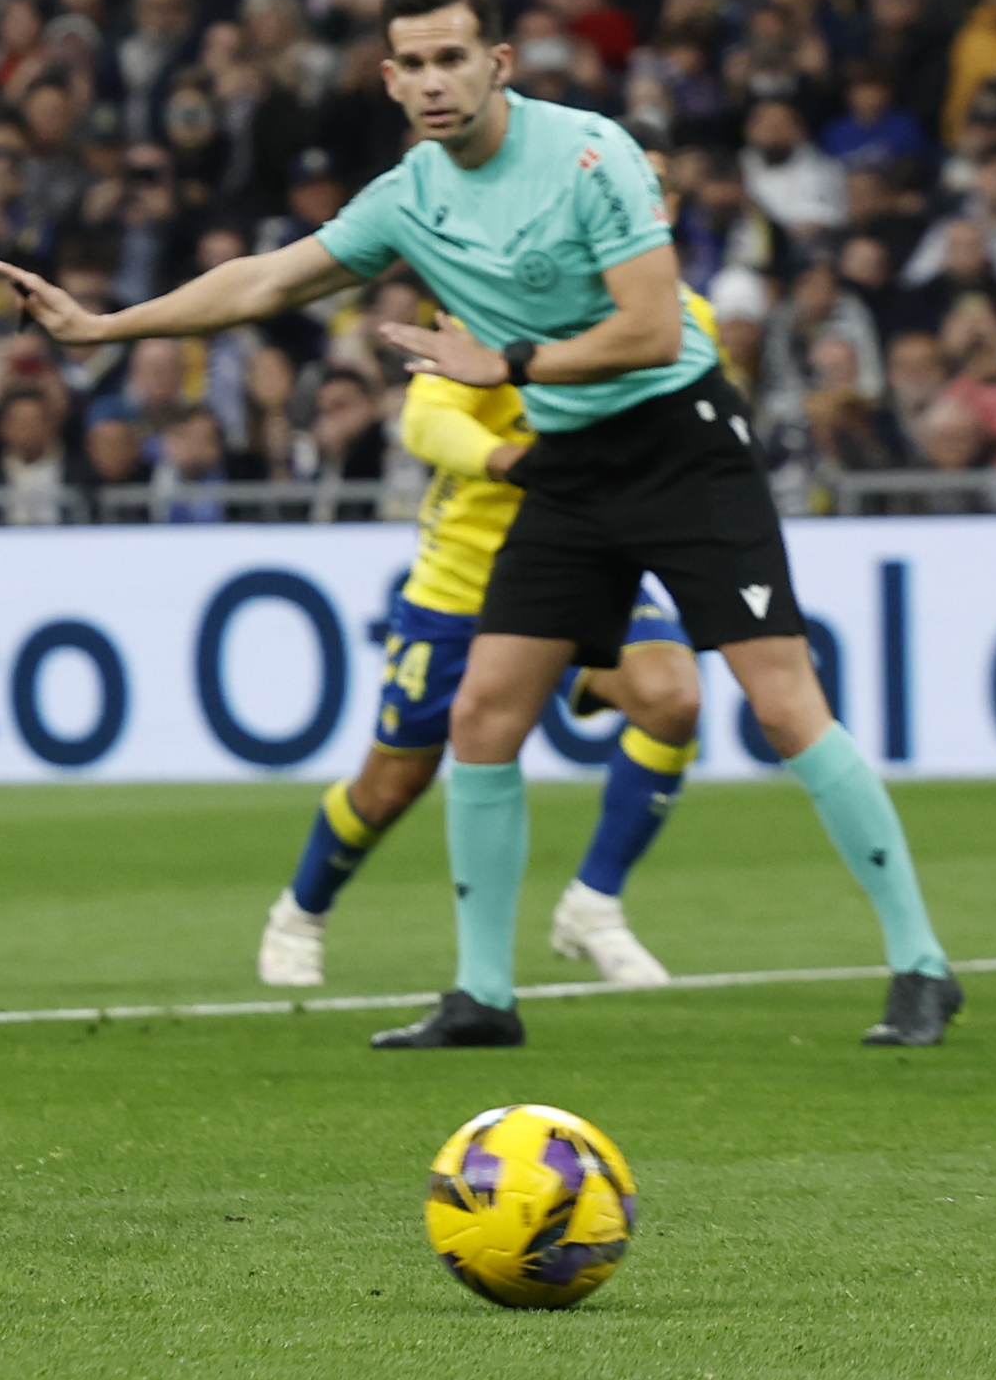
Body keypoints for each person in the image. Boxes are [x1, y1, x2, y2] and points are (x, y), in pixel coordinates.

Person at [3, 0, 958, 1050]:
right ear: (387, 78)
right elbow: (265, 281)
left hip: (680, 440)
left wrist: (502, 355)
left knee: (783, 705)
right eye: (411, 64)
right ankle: (482, 996)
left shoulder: (591, 154)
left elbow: (650, 329)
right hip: (568, 459)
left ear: (497, 62)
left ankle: (921, 964)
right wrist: (102, 327)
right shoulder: (409, 194)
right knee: (482, 717)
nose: (432, 80)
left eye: (452, 57)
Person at [258, 301, 712, 990]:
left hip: (585, 567)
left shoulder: (674, 313)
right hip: (465, 584)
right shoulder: (491, 304)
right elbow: (425, 419)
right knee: (393, 782)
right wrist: (513, 461)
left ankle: (594, 903)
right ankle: (300, 913)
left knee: (671, 698)